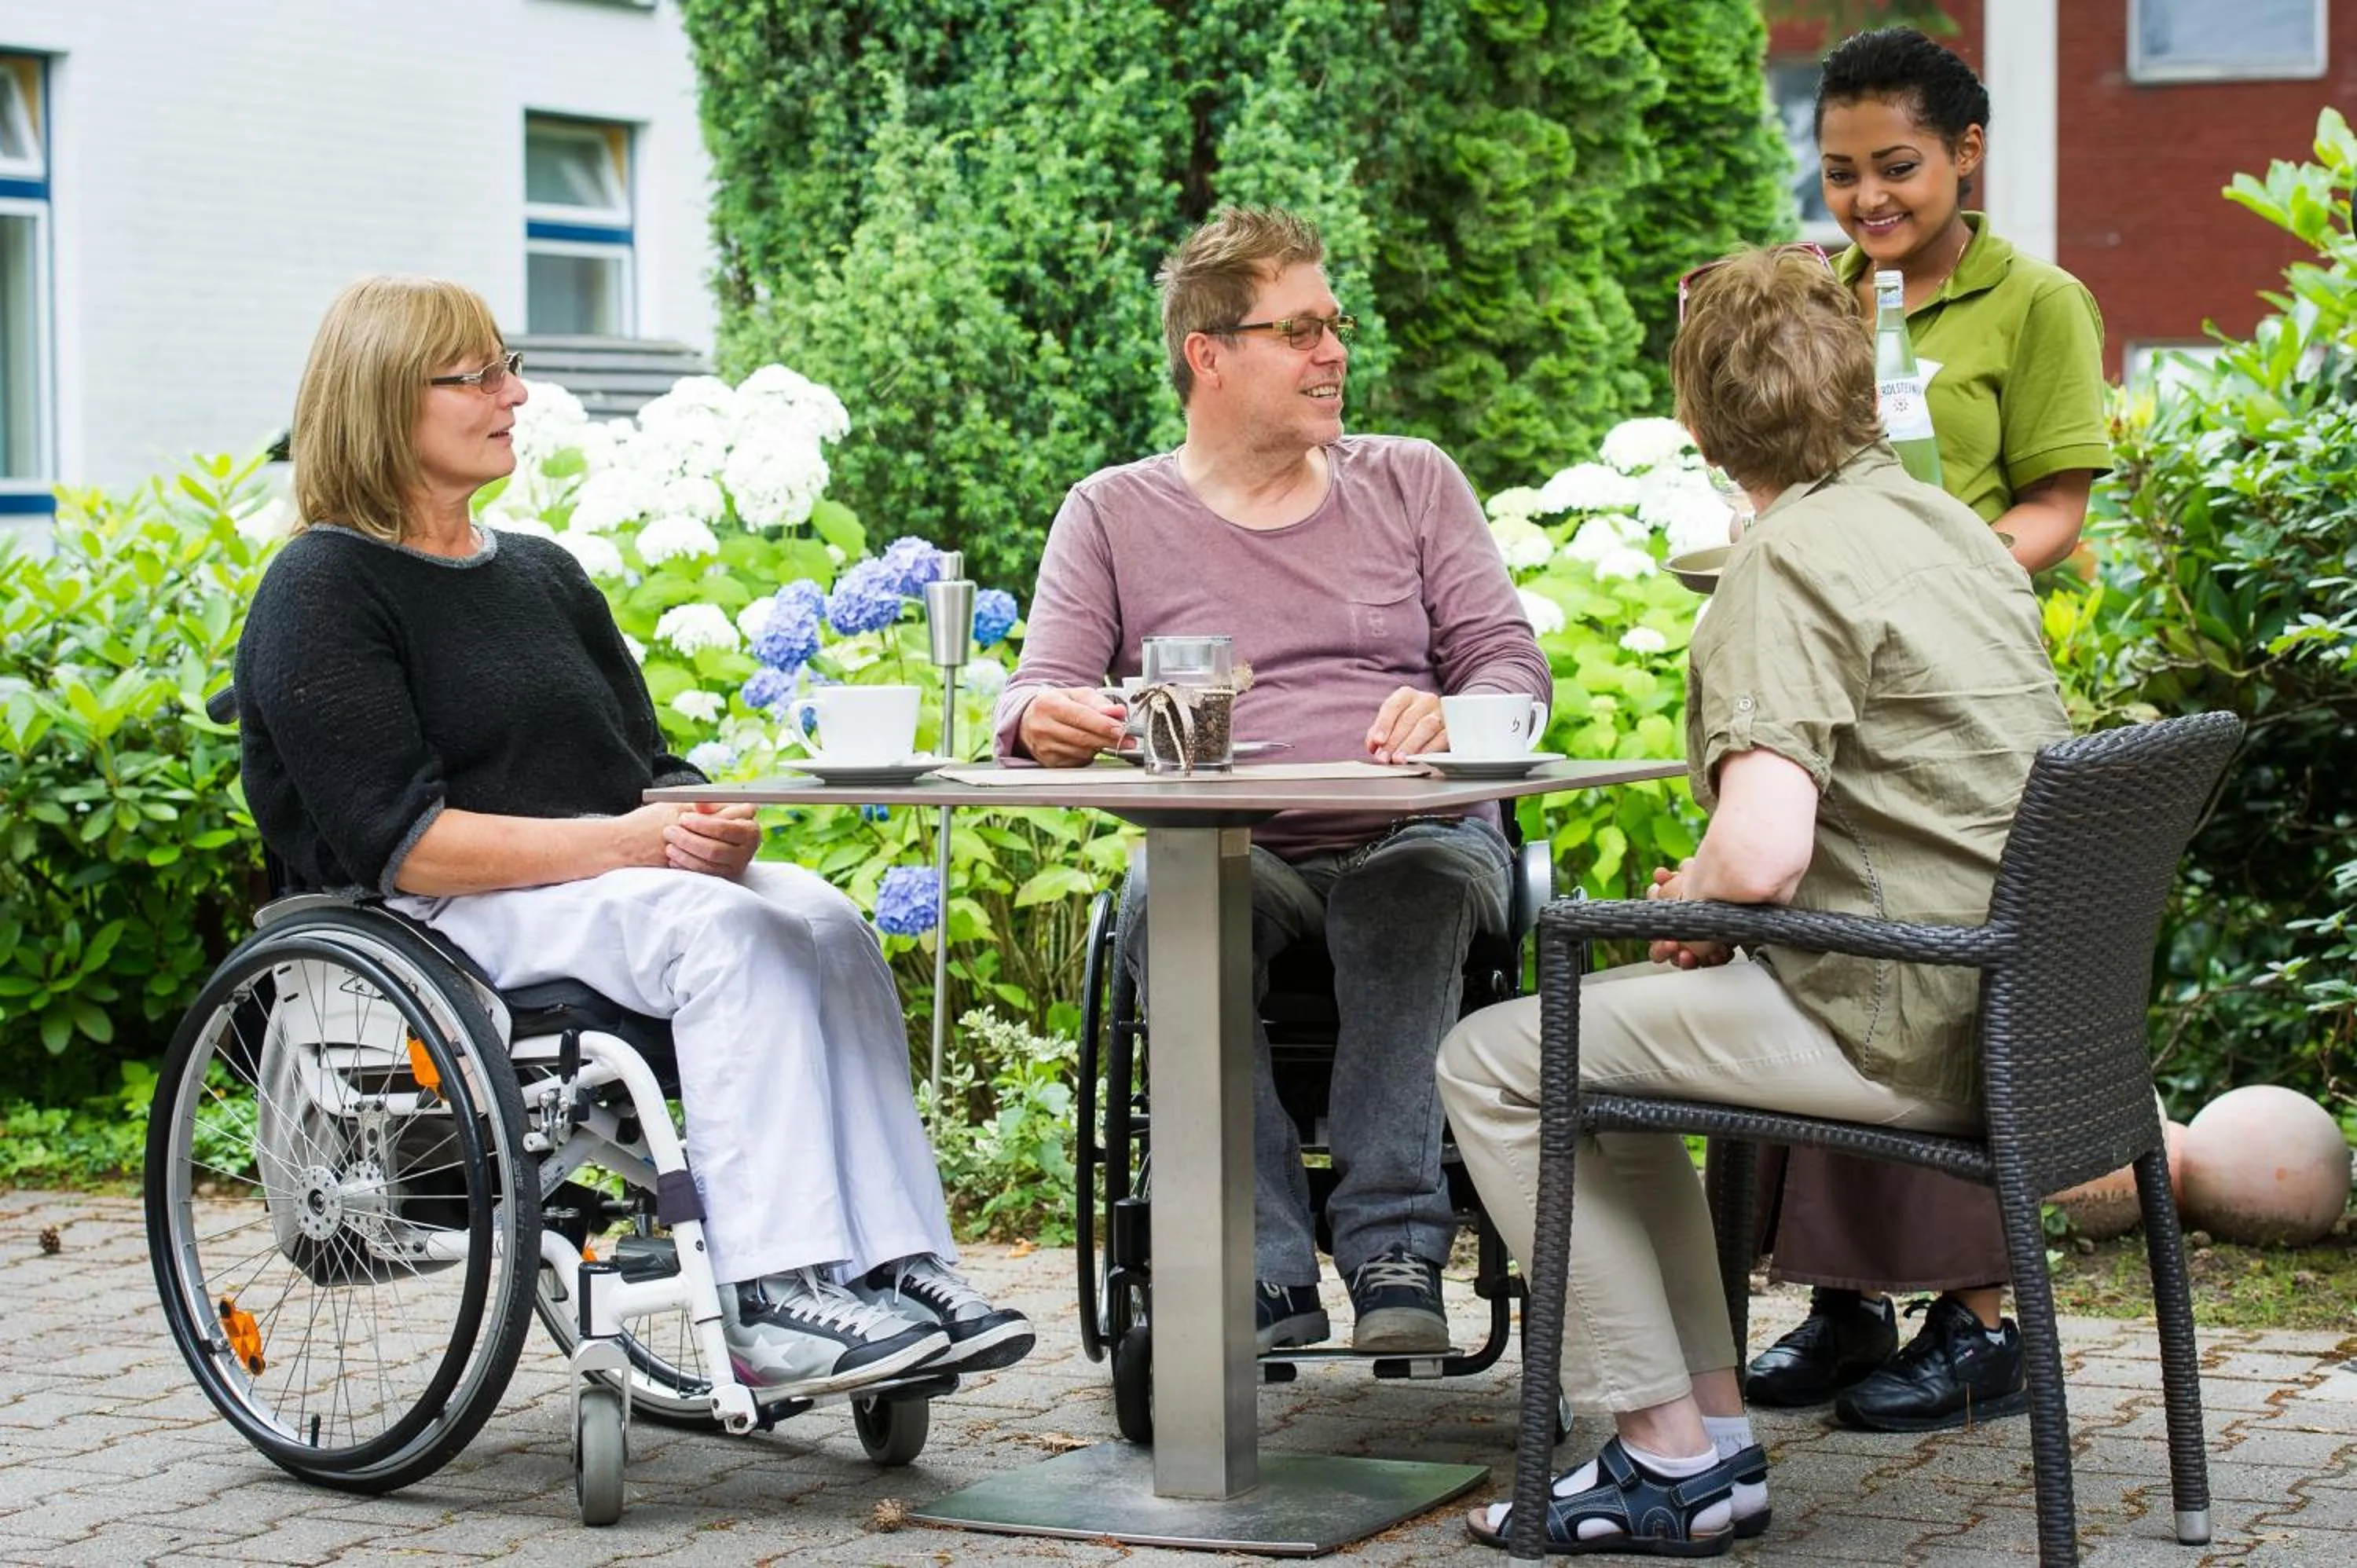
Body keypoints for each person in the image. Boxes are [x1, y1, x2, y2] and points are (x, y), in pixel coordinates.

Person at [236, 275, 1032, 1401]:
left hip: (601, 892)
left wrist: (706, 823)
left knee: (823, 917)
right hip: (441, 916)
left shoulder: (543, 577)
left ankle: (900, 1264)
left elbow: (642, 769)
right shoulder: (322, 587)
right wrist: (628, 847)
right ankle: (771, 1289)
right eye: (478, 376)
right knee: (721, 936)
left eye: (507, 366)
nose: (514, 393)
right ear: (381, 403)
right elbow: (402, 843)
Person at [1436, 247, 2071, 1555]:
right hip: (2015, 1010)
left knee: (1496, 1060)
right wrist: (1724, 897)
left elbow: (1768, 849)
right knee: (1605, 1082)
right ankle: (1710, 1439)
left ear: (1695, 422)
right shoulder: (1949, 528)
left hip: (1896, 1019)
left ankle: (1664, 1454)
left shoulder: (1778, 568)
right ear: (1860, 386)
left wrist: (1713, 895)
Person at [994, 207, 1552, 1355]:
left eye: (1334, 326)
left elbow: (1509, 659)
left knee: (1414, 889)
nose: (1335, 353)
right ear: (1210, 353)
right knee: (1177, 899)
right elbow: (1035, 690)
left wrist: (1455, 708)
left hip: (1419, 835)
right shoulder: (1112, 512)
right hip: (1237, 845)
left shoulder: (1410, 482)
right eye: (1300, 331)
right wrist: (1041, 718)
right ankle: (1261, 1269)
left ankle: (1398, 1244)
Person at [1744, 24, 2115, 1432]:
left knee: (1932, 966)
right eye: (1840, 172)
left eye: (1895, 167)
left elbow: (2057, 511)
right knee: (1829, 959)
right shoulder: (1828, 297)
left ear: (1966, 151)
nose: (1865, 199)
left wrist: (1923, 576)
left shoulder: (2039, 305)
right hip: (1841, 677)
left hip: (1959, 689)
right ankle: (1847, 1308)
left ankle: (1980, 1321)